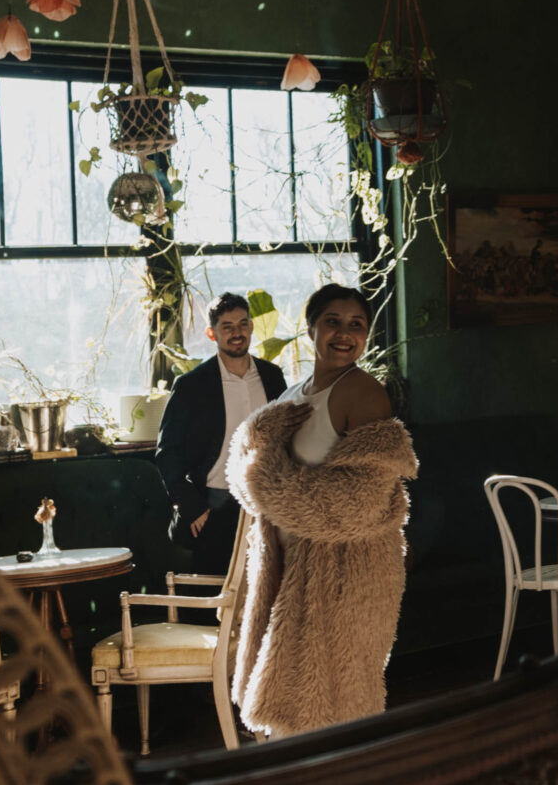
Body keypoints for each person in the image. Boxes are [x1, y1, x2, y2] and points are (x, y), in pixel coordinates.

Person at [226, 283, 418, 738]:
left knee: (337, 701)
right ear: (311, 327)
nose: (344, 334)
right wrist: (257, 432)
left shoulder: (365, 393)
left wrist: (263, 476)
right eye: (333, 321)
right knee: (294, 701)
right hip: (292, 567)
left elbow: (356, 502)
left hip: (346, 572)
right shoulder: (294, 394)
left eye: (357, 325)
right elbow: (240, 468)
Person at [152, 293, 287, 579]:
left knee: (267, 595)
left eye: (242, 324)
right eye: (227, 326)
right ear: (212, 333)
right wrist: (192, 507)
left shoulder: (273, 376)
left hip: (266, 505)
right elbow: (168, 451)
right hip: (212, 508)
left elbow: (285, 438)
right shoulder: (191, 385)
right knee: (213, 604)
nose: (237, 333)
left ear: (251, 327)